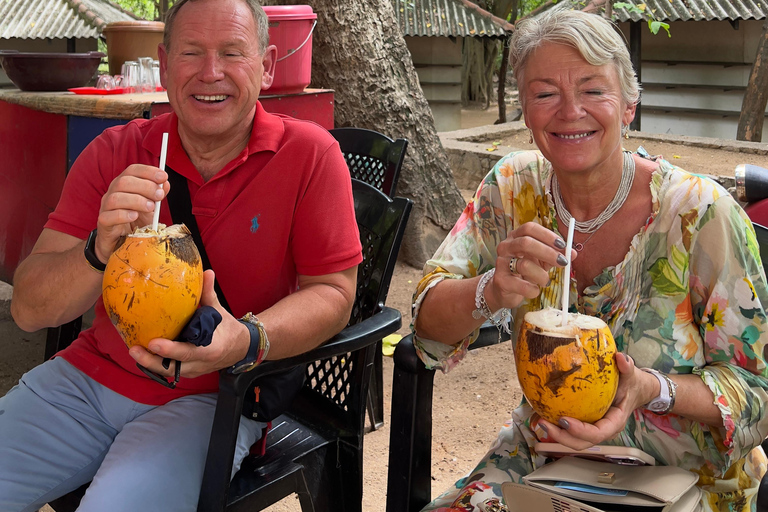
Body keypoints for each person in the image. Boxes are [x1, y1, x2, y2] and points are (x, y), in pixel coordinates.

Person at [0, 0, 362, 510]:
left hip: (213, 398)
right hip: (85, 382)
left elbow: (334, 293)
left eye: (232, 53)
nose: (210, 73)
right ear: (165, 65)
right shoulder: (113, 152)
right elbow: (29, 309)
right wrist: (97, 250)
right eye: (191, 53)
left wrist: (248, 339)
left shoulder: (309, 155)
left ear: (266, 65)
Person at [411, 8, 768, 512]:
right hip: (543, 462)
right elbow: (426, 322)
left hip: (684, 476)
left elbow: (758, 391)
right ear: (526, 110)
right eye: (545, 93)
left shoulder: (700, 215)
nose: (569, 111)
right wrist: (491, 288)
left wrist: (650, 390)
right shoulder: (512, 189)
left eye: (593, 90)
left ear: (628, 105)